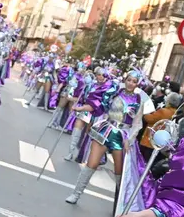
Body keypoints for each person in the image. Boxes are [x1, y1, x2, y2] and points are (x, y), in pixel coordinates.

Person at [65, 69, 151, 206]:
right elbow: (98, 108)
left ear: (137, 84)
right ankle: (76, 194)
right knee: (91, 164)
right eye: (129, 80)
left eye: (134, 82)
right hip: (105, 130)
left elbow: (137, 124)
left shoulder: (139, 101)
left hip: (122, 135)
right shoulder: (113, 93)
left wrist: (129, 140)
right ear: (125, 80)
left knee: (119, 172)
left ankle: (120, 204)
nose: (130, 83)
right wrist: (81, 108)